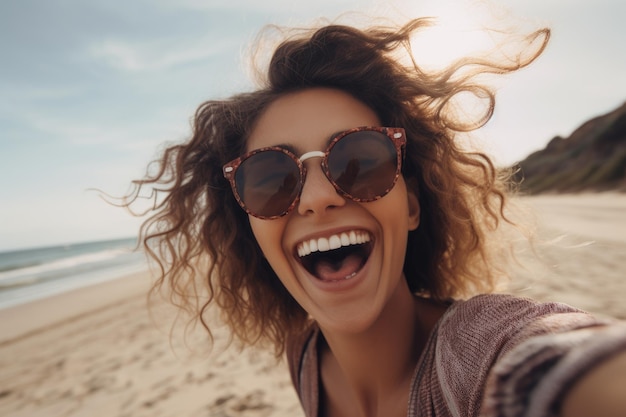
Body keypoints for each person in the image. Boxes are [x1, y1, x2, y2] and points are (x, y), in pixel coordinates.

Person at [125, 16, 626, 417]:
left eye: (360, 160)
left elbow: (560, 365)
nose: (317, 198)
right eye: (269, 178)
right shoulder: (305, 359)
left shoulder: (482, 351)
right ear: (251, 226)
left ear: (410, 205)